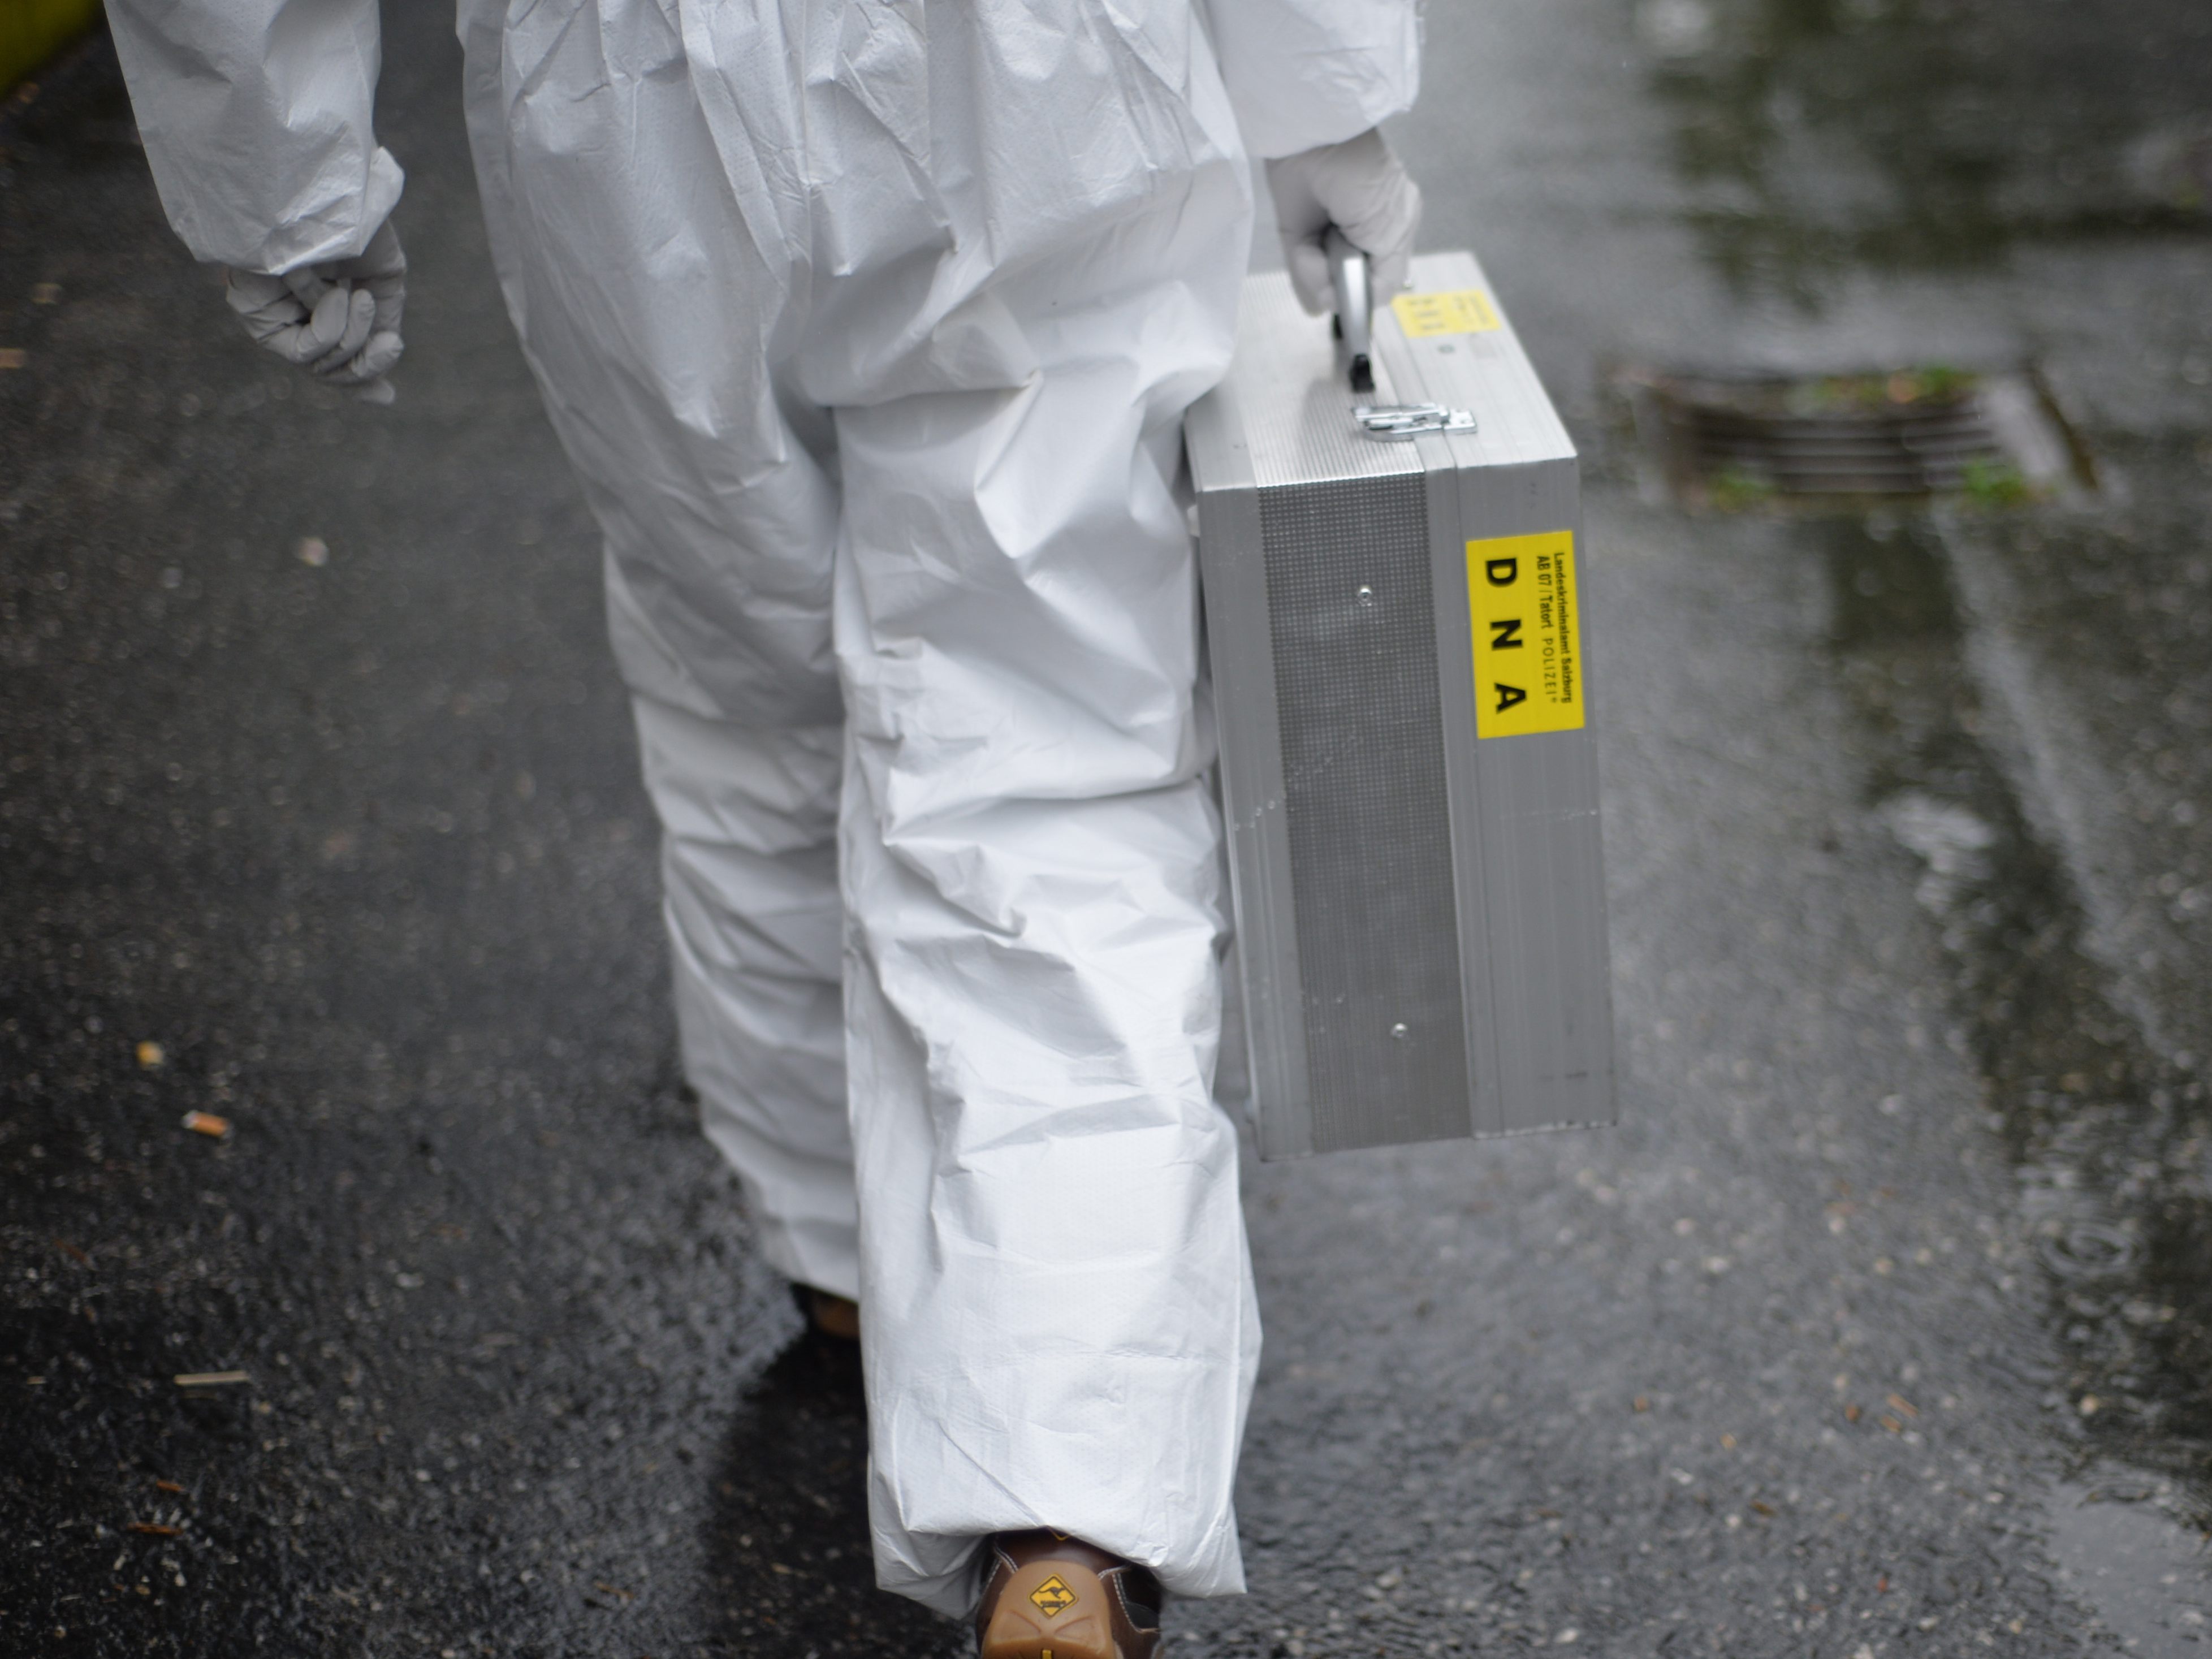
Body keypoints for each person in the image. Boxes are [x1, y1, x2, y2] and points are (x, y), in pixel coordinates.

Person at [103, 3, 1422, 1653]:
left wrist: (278, 188)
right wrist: (1329, 110)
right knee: (1051, 753)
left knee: (754, 699)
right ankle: (1064, 1506)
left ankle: (844, 1244)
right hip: (1050, 75)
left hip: (627, 101)